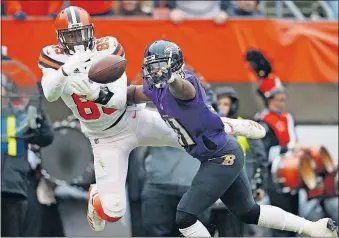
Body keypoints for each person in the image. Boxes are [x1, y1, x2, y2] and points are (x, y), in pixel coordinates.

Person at [38, 6, 264, 232]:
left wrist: (95, 93)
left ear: (92, 31)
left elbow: (118, 100)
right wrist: (68, 70)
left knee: (193, 132)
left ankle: (230, 125)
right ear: (60, 38)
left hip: (133, 118)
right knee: (113, 213)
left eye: (82, 34)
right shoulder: (53, 56)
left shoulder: (107, 47)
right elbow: (50, 92)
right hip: (105, 138)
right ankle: (97, 195)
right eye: (71, 36)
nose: (78, 41)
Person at [125, 39, 338, 237]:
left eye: (160, 66)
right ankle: (313, 227)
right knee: (248, 211)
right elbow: (133, 93)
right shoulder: (156, 89)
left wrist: (172, 79)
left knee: (185, 216)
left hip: (221, 156)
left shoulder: (186, 82)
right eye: (152, 66)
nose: (154, 71)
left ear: (174, 66)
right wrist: (102, 95)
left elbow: (183, 90)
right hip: (219, 154)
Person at [1, 54, 54, 237]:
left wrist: (38, 110)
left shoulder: (21, 116)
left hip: (13, 190)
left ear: (5, 90)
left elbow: (46, 137)